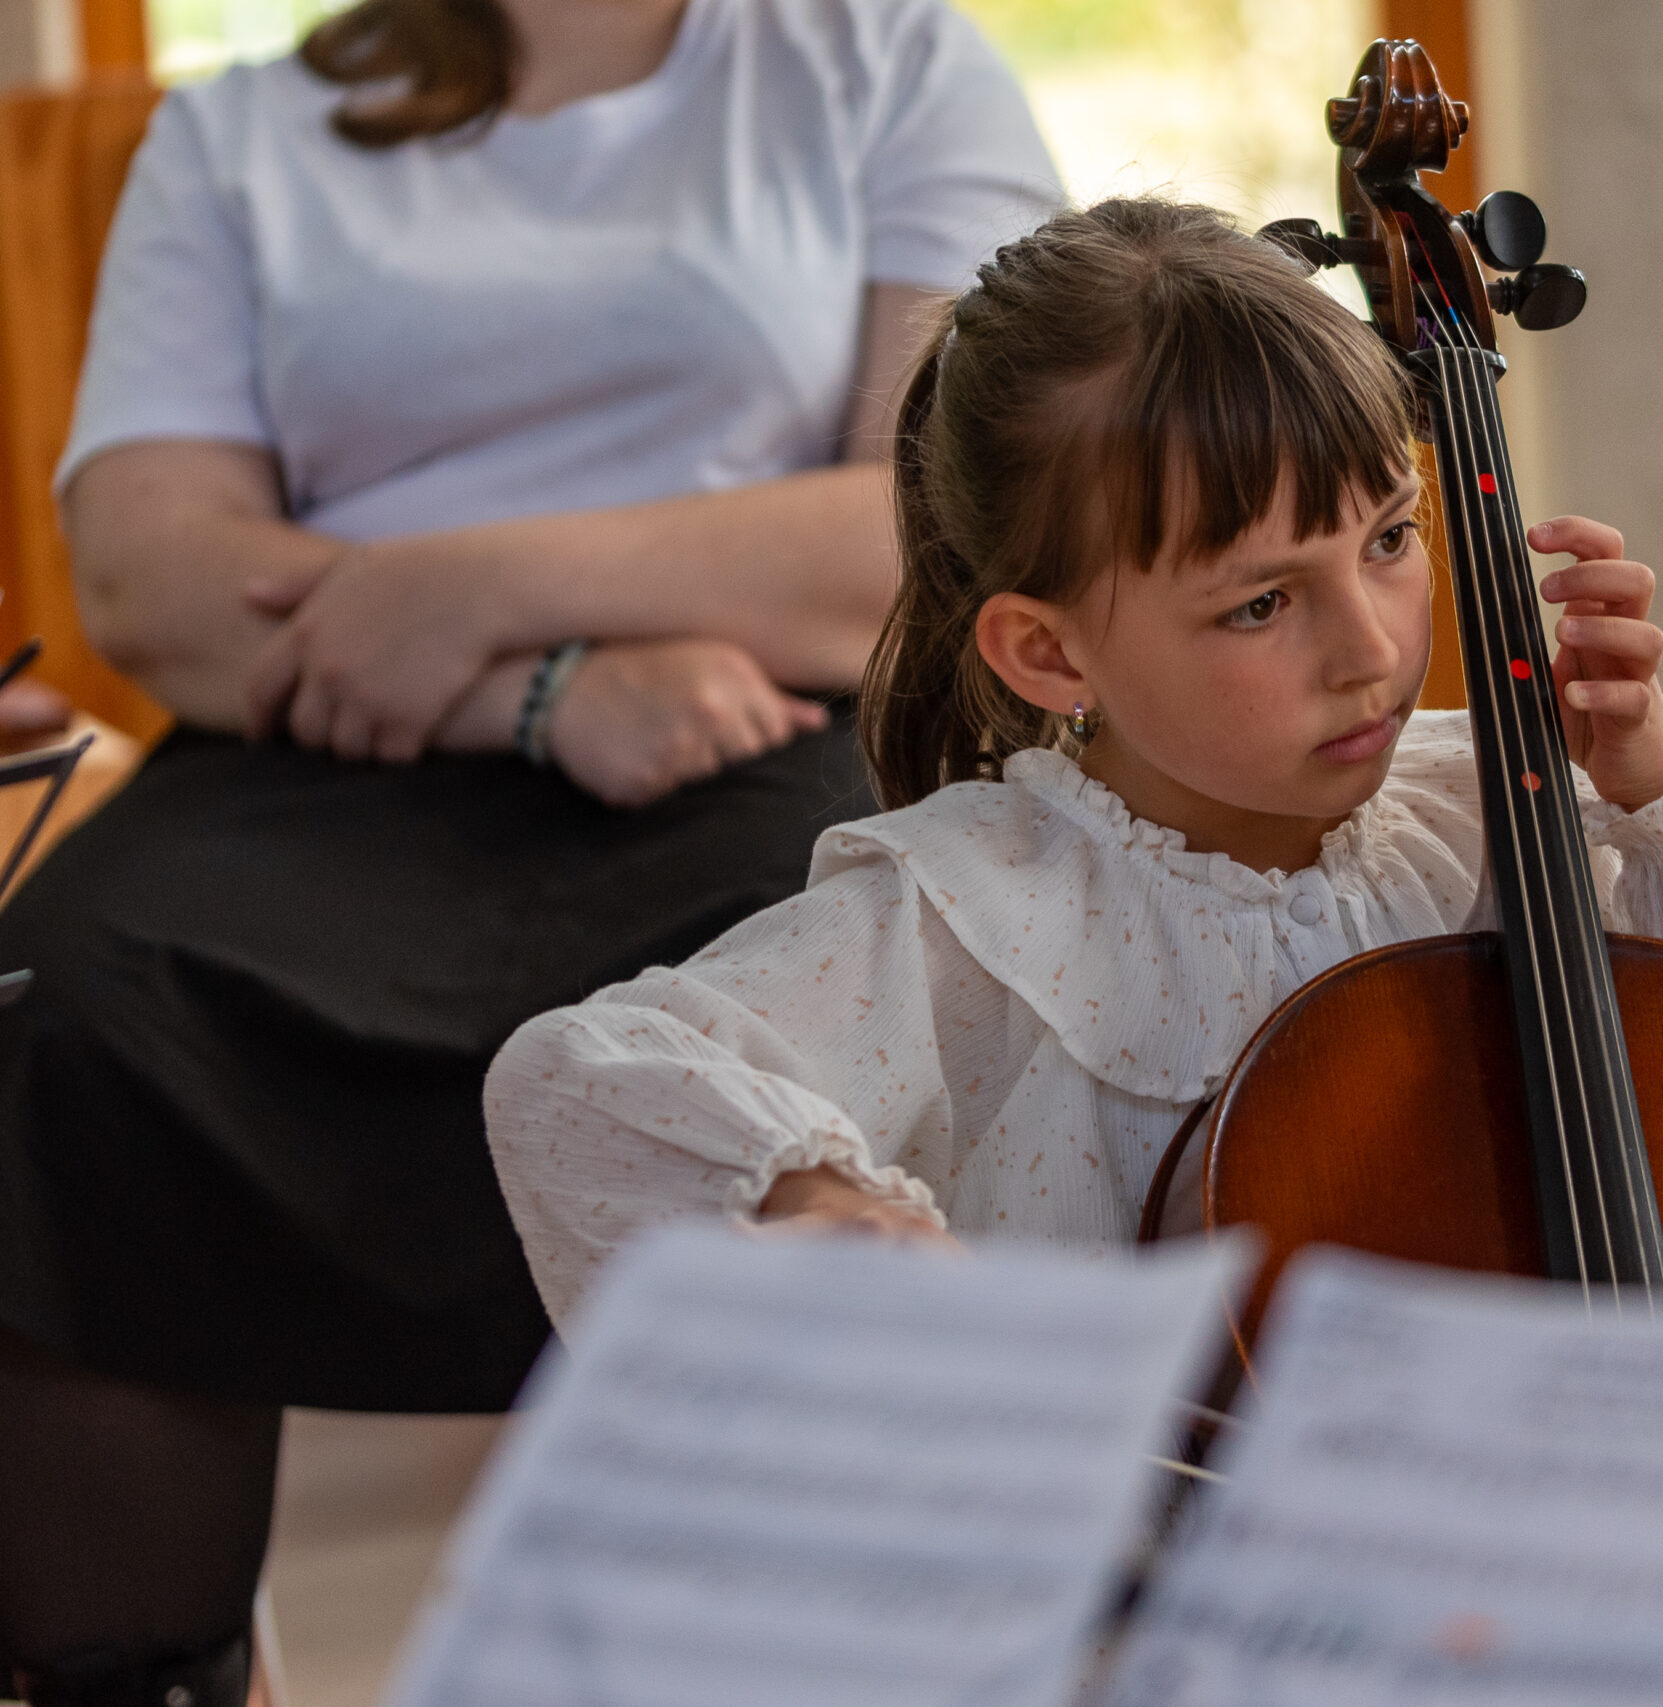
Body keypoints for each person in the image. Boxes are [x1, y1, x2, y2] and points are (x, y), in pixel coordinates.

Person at [0, 0, 1056, 1696]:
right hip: (323, 748)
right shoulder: (241, 136)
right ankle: (137, 1669)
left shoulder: (882, 64)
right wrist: (543, 687)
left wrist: (476, 582)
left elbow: (938, 523)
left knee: (798, 1013)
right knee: (72, 1021)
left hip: (760, 733)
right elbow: (149, 574)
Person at [482, 199, 1663, 1323]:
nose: (1371, 646)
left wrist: (1657, 795)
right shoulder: (978, 917)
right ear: (1048, 655)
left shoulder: (1497, 816)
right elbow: (579, 1081)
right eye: (1261, 601)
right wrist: (813, 1194)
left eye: (1388, 540)